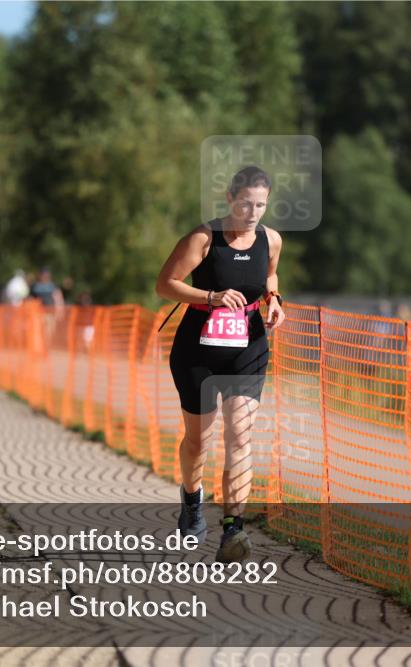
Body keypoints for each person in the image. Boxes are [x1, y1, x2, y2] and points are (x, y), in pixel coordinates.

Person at [155, 165, 285, 563]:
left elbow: (270, 277)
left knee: (241, 437)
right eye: (245, 203)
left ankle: (234, 530)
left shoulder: (271, 239)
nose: (252, 212)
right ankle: (192, 503)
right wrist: (211, 297)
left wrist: (275, 300)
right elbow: (165, 284)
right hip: (198, 350)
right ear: (230, 198)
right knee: (199, 441)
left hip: (248, 346)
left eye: (260, 205)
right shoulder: (203, 238)